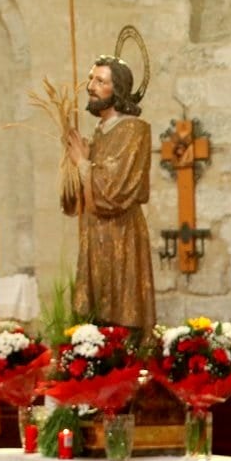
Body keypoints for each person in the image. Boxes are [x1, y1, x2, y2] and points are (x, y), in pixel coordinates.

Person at [62, 55, 155, 331]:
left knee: (121, 314)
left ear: (118, 90)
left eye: (100, 81)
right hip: (95, 233)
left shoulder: (134, 130)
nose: (90, 86)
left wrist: (82, 164)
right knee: (96, 316)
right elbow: (78, 198)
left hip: (121, 233)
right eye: (91, 79)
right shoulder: (100, 132)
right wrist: (72, 166)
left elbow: (113, 192)